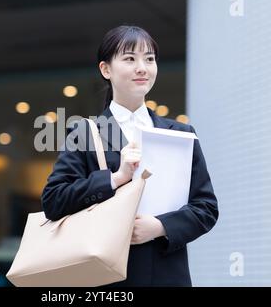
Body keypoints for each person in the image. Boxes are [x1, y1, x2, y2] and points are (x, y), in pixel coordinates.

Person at [41, 25, 218, 286]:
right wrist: (115, 178)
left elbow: (206, 208)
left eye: (149, 59)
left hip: (168, 276)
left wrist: (160, 227)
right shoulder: (85, 133)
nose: (142, 68)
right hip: (109, 280)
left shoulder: (181, 134)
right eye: (129, 59)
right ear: (106, 69)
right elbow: (54, 200)